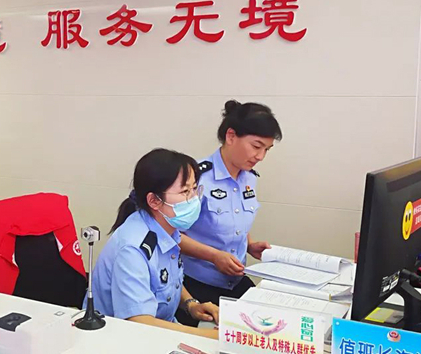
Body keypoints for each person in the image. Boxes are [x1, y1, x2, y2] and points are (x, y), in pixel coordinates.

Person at [87, 148, 219, 338]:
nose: (194, 199)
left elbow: (164, 280)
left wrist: (191, 305)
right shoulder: (133, 249)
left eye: (194, 188)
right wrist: (207, 337)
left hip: (161, 330)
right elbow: (138, 321)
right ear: (154, 201)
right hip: (121, 339)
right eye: (184, 191)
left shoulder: (166, 229)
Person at [177, 100, 282, 326]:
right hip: (196, 284)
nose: (260, 156)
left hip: (235, 282)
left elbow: (234, 220)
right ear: (231, 136)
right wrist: (214, 256)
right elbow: (170, 235)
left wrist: (250, 244)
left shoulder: (249, 178)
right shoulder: (196, 178)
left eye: (267, 149)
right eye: (256, 146)